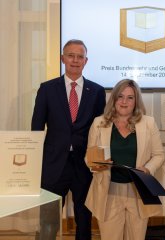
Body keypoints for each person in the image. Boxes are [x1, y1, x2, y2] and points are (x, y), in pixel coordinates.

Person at [31, 39, 106, 240]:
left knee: (84, 219)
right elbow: (36, 128)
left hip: (85, 165)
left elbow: (101, 131)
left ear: (86, 61)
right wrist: (34, 165)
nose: (75, 60)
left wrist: (100, 163)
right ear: (62, 58)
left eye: (80, 56)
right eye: (71, 55)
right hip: (53, 165)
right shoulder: (47, 89)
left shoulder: (97, 91)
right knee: (48, 221)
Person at [84, 79, 165, 240]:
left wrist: (148, 168)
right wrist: (95, 165)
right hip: (108, 190)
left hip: (138, 190)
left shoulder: (148, 123)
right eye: (120, 96)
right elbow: (88, 156)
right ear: (113, 99)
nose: (124, 101)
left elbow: (159, 155)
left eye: (130, 97)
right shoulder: (99, 123)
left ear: (136, 101)